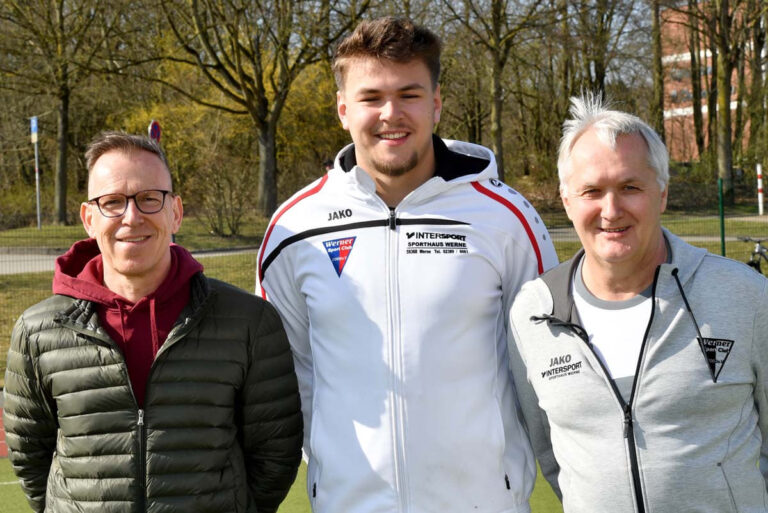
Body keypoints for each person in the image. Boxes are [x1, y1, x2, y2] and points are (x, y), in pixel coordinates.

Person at [257, 16, 558, 513]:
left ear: (436, 105)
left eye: (410, 94)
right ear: (342, 109)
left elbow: (547, 371)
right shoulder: (295, 229)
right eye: (371, 97)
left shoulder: (506, 219)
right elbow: (288, 376)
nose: (390, 113)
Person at [3, 132, 303, 513]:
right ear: (89, 219)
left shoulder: (248, 322)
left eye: (149, 198)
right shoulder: (39, 330)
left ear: (175, 211)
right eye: (112, 202)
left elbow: (274, 452)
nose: (132, 217)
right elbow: (31, 457)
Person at [508, 94, 768, 513]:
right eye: (592, 190)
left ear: (661, 194)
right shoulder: (534, 314)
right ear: (566, 199)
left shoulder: (745, 295)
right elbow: (551, 455)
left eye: (630, 187)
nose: (611, 210)